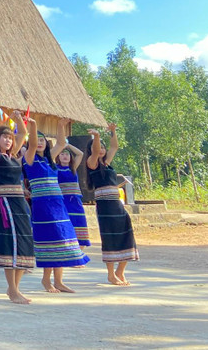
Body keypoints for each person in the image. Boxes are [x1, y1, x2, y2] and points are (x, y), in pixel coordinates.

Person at [22, 124, 90, 293]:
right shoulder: (30, 159)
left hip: (59, 204)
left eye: (42, 140)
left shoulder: (49, 160)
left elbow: (60, 143)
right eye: (36, 140)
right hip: (43, 206)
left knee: (62, 239)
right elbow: (31, 146)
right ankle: (46, 280)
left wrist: (60, 124)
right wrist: (34, 126)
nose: (39, 143)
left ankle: (59, 281)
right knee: (50, 239)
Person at [0, 113, 35, 305]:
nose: (9, 140)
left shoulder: (13, 156)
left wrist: (19, 119)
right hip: (4, 203)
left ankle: (15, 288)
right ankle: (12, 289)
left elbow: (24, 134)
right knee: (11, 243)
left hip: (19, 202)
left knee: (24, 243)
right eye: (5, 137)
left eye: (11, 137)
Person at [87, 122, 139, 285]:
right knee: (109, 237)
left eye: (103, 147)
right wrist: (96, 136)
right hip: (105, 206)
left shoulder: (107, 163)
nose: (102, 149)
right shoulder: (92, 162)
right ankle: (111, 274)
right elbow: (95, 150)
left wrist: (113, 132)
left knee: (126, 234)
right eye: (99, 147)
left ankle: (120, 271)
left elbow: (114, 146)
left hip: (117, 203)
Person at [54, 119, 90, 249]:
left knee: (79, 221)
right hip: (63, 200)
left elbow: (80, 153)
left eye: (67, 155)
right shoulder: (55, 168)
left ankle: (80, 249)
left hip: (75, 200)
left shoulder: (73, 167)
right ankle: (66, 246)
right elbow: (51, 155)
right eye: (62, 154)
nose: (65, 156)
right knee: (65, 221)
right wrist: (59, 146)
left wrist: (67, 146)